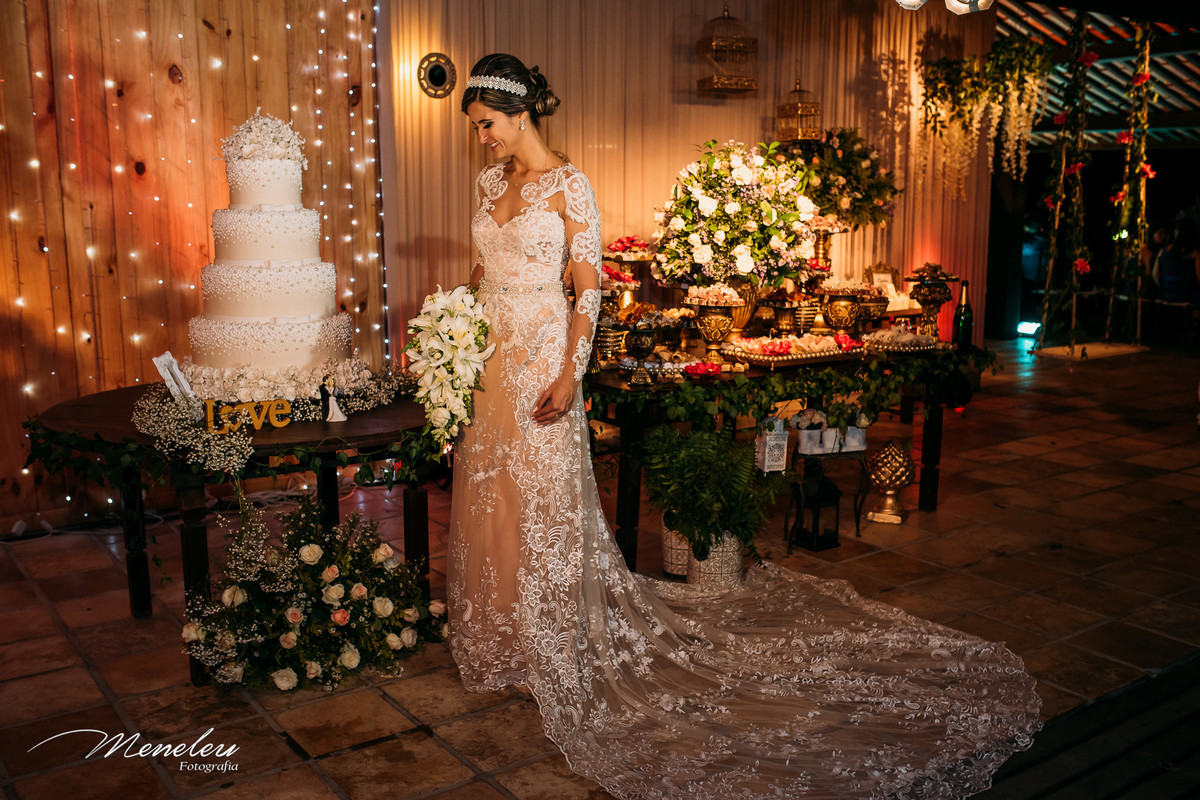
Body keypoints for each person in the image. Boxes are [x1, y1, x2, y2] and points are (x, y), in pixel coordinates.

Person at [445, 52, 1041, 799]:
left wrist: (570, 372)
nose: (483, 140)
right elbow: (481, 273)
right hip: (489, 366)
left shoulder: (571, 185)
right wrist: (452, 330)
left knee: (543, 505)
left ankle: (555, 643)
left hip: (542, 365)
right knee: (492, 499)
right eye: (476, 129)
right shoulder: (487, 183)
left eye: (488, 125)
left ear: (521, 111)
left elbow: (587, 294)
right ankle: (502, 640)